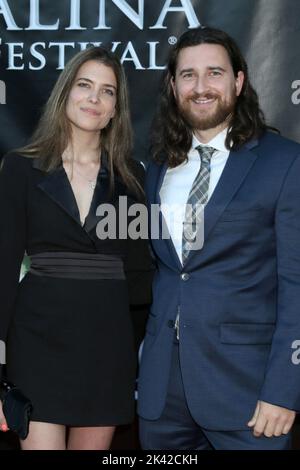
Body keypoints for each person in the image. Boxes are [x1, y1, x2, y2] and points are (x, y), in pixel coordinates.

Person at [137, 26, 300, 450]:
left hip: (248, 394)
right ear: (173, 87)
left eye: (214, 73)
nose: (201, 87)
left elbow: (297, 285)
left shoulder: (285, 163)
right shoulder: (157, 165)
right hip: (161, 393)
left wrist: (284, 388)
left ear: (239, 81)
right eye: (188, 75)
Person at [0, 46, 153, 450]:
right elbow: (3, 269)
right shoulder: (20, 167)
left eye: (108, 91)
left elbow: (140, 275)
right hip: (36, 347)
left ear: (116, 108)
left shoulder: (133, 178)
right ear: (65, 92)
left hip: (107, 349)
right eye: (85, 85)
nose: (94, 99)